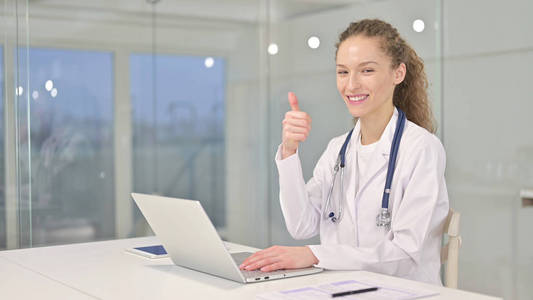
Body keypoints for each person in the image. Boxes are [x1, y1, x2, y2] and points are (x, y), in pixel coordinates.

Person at [239, 19, 449, 285]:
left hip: (401, 291)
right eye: (343, 72)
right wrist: (290, 151)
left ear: (398, 73)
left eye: (367, 70)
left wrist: (314, 255)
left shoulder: (421, 148)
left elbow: (405, 255)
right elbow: (301, 225)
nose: (351, 85)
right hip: (340, 288)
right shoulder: (338, 149)